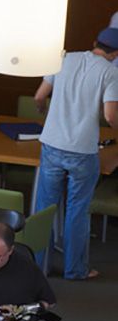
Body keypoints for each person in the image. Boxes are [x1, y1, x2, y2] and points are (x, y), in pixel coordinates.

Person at [31, 27, 118, 282]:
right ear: (115, 55)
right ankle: (75, 270)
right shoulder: (110, 72)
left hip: (51, 145)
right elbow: (111, 116)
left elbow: (39, 95)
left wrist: (44, 109)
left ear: (94, 43)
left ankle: (39, 265)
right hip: (82, 151)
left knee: (44, 207)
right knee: (77, 210)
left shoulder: (64, 58)